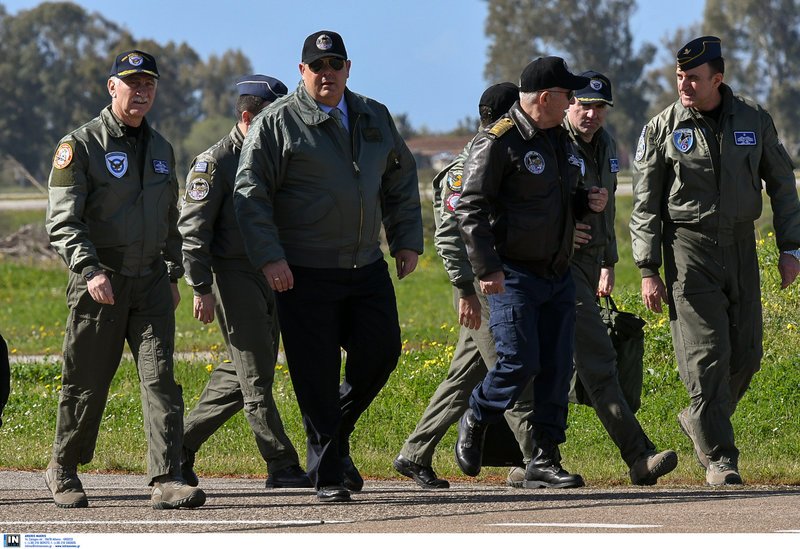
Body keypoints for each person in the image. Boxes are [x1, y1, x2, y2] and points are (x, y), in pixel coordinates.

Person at [233, 30, 423, 503]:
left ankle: (332, 438)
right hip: (303, 270)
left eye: (335, 65)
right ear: (302, 72)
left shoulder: (373, 116)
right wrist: (271, 257)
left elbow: (400, 177)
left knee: (381, 353)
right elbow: (250, 194)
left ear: (347, 68)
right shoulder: (276, 123)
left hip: (365, 264)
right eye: (317, 67)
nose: (327, 74)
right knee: (315, 374)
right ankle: (328, 473)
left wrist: (406, 240)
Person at [630, 36, 800, 485]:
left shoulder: (753, 120)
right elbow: (645, 204)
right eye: (679, 76)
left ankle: (699, 418)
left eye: (693, 77)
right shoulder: (662, 127)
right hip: (689, 250)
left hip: (742, 246)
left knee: (746, 354)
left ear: (717, 79)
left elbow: (783, 185)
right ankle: (721, 457)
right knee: (707, 355)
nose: (684, 84)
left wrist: (791, 248)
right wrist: (648, 269)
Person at [44, 50, 205, 509]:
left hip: (151, 281)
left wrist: (174, 273)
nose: (141, 91)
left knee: (160, 378)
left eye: (149, 83)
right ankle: (63, 467)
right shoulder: (80, 145)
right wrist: (89, 269)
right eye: (131, 82)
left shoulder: (162, 149)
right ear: (111, 87)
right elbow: (63, 220)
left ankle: (167, 478)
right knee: (87, 380)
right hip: (102, 280)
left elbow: (170, 219)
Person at [454, 56, 608, 488]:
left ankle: (544, 457)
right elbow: (470, 207)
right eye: (567, 95)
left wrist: (585, 202)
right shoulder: (498, 141)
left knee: (558, 367)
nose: (573, 102)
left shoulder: (556, 138)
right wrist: (486, 268)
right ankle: (478, 414)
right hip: (513, 274)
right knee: (520, 361)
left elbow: (555, 200)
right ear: (545, 97)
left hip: (556, 273)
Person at [394, 82, 535, 489]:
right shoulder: (467, 166)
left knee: (464, 376)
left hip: (498, 282)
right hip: (481, 287)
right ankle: (538, 461)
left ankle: (414, 453)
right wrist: (465, 289)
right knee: (512, 371)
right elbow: (449, 236)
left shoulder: (502, 156)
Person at [178, 75, 311, 490]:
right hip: (232, 274)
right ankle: (282, 464)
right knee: (256, 377)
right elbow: (193, 231)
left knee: (242, 372)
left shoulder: (273, 154)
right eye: (273, 116)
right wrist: (200, 287)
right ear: (248, 116)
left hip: (270, 272)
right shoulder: (215, 163)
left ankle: (175, 447)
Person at [566, 71, 677, 485]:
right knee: (597, 359)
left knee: (541, 364)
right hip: (557, 265)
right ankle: (638, 454)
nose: (591, 114)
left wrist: (608, 262)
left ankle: (526, 457)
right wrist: (562, 231)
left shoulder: (607, 145)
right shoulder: (553, 142)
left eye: (599, 108)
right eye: (583, 105)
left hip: (589, 263)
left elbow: (607, 210)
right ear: (568, 103)